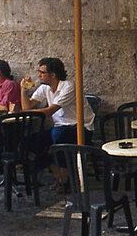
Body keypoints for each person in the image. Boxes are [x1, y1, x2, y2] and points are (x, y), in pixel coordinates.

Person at [21, 57, 94, 188]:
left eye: (42, 72)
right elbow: (28, 107)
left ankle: (64, 176)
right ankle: (58, 172)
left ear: (52, 75)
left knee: (58, 134)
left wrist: (22, 113)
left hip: (81, 128)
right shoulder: (45, 88)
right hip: (60, 128)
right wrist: (24, 90)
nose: (38, 75)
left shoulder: (68, 87)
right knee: (27, 143)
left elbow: (50, 111)